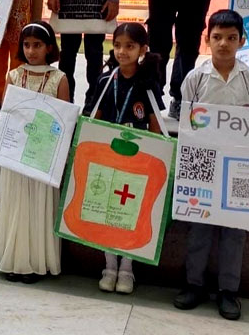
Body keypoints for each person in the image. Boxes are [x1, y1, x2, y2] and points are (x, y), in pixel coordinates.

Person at [173, 9, 249, 321]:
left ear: (242, 41)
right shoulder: (195, 79)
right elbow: (188, 121)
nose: (224, 44)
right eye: (217, 37)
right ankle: (193, 284)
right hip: (202, 161)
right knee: (199, 226)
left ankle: (228, 291)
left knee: (235, 230)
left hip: (238, 164)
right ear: (206, 39)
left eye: (231, 38)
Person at [82, 22, 164, 295]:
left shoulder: (148, 83)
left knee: (131, 213)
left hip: (137, 160)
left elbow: (155, 124)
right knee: (106, 211)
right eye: (117, 45)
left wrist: (154, 156)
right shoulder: (105, 80)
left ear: (143, 49)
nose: (122, 51)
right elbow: (94, 117)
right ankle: (109, 267)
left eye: (130, 46)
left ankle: (127, 269)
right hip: (107, 157)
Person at [0, 21, 70, 283]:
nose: (31, 51)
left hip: (42, 156)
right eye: (26, 45)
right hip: (15, 154)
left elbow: (63, 121)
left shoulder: (59, 78)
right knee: (16, 206)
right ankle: (14, 260)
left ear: (49, 47)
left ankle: (36, 263)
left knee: (38, 207)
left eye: (37, 45)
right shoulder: (14, 76)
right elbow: (8, 114)